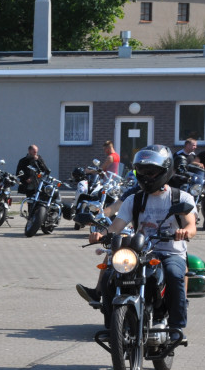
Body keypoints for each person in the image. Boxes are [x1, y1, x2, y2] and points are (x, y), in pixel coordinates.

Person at [81, 145, 197, 342]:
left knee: (174, 274)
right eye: (141, 172)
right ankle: (113, 327)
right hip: (142, 252)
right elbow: (116, 226)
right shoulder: (134, 200)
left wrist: (185, 232)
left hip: (171, 251)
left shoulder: (180, 197)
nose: (146, 177)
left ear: (164, 171)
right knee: (111, 274)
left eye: (151, 172)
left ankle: (177, 327)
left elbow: (191, 225)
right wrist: (101, 235)